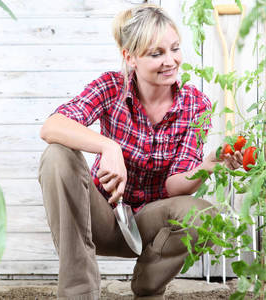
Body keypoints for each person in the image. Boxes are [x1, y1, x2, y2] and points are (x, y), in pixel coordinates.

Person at [38, 4, 244, 299]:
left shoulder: (194, 104)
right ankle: (78, 293)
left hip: (151, 225)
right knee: (57, 155)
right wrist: (108, 147)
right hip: (101, 216)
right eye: (156, 53)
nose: (170, 61)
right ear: (130, 57)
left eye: (175, 49)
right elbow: (51, 126)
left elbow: (174, 187)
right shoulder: (111, 87)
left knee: (204, 215)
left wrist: (208, 165)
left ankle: (148, 289)